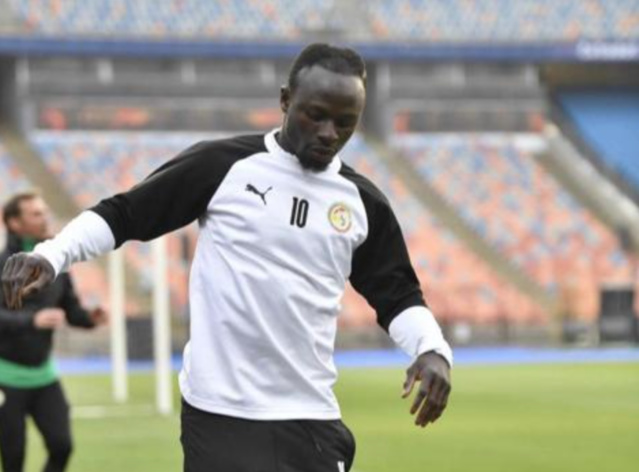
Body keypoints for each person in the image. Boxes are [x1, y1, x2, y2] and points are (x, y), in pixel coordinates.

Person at [1, 43, 452, 471]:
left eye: (345, 123)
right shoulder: (224, 167)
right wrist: (52, 254)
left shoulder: (362, 203)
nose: (329, 133)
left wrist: (432, 349)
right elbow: (125, 215)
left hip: (310, 414)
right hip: (220, 414)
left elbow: (398, 294)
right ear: (285, 100)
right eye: (315, 116)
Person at [0, 191, 107, 472]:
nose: (45, 217)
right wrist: (32, 320)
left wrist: (90, 319)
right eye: (35, 214)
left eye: (44, 211)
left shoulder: (57, 263)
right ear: (13, 223)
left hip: (44, 375)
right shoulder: (1, 265)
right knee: (13, 459)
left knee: (62, 446)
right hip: (5, 377)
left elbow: (71, 310)